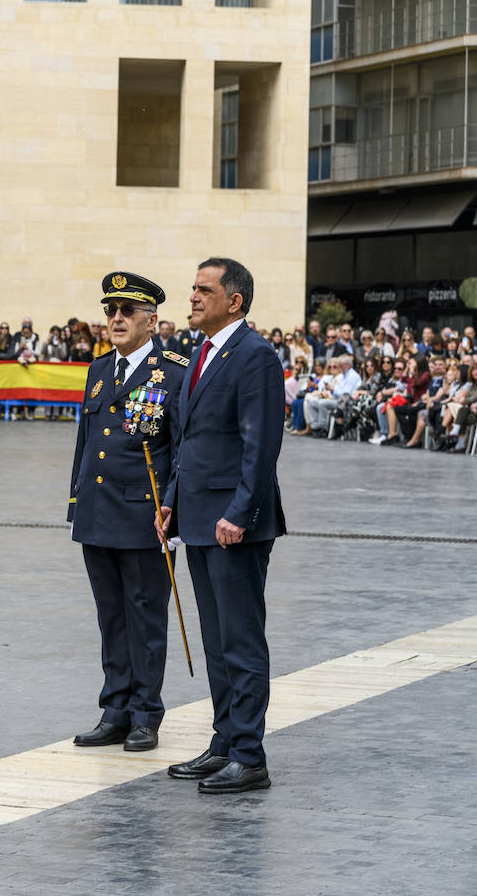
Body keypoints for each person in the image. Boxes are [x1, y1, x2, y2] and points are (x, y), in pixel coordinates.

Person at [159, 257, 285, 795]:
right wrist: (170, 500)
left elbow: (261, 446)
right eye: (192, 289)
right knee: (215, 639)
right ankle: (224, 742)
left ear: (233, 301)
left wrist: (239, 512)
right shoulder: (201, 354)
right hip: (197, 516)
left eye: (203, 290)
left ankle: (250, 756)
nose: (191, 297)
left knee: (241, 639)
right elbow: (191, 443)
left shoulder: (254, 356)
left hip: (235, 524)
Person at [69, 272, 187, 754]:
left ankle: (145, 713)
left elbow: (182, 448)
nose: (116, 319)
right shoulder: (99, 370)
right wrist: (76, 500)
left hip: (145, 517)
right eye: (110, 311)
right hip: (98, 513)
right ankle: (114, 710)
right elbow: (85, 443)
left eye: (127, 311)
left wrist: (173, 506)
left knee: (145, 616)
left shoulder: (175, 371)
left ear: (151, 320)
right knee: (111, 616)